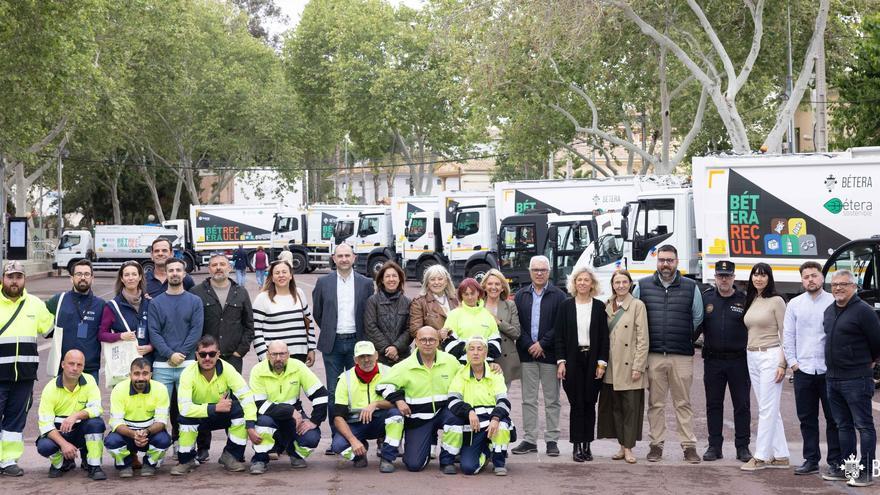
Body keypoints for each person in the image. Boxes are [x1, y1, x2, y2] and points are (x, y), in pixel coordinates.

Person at [632, 244, 703, 463]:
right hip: (653, 356)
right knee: (656, 404)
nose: (665, 264)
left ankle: (689, 446)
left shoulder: (691, 287)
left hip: (681, 355)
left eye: (670, 260)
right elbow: (636, 320)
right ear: (657, 261)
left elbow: (698, 318)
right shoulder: (642, 286)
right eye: (662, 260)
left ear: (677, 262)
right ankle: (656, 445)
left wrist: (683, 338)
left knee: (683, 403)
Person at [312, 243, 374, 450]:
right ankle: (337, 437)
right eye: (340, 256)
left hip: (358, 342)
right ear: (333, 258)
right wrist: (330, 329)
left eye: (348, 255)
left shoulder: (366, 283)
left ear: (354, 258)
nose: (344, 259)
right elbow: (318, 313)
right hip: (333, 343)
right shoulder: (323, 282)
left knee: (357, 390)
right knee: (334, 391)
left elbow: (368, 312)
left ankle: (356, 432)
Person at [822, 269, 880, 487]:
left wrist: (869, 361)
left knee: (864, 426)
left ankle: (865, 473)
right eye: (834, 284)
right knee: (843, 426)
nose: (838, 288)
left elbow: (877, 342)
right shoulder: (829, 311)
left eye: (843, 284)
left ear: (854, 287)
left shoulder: (864, 311)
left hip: (856, 379)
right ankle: (849, 470)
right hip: (833, 379)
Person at [377, 326, 462, 473]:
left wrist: (491, 366)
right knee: (414, 465)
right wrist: (399, 400)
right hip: (418, 418)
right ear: (416, 342)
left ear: (438, 342)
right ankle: (423, 447)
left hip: (443, 413)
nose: (427, 343)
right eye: (423, 339)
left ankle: (447, 461)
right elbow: (383, 385)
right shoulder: (405, 365)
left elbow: (466, 376)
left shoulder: (450, 361)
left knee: (456, 418)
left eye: (432, 339)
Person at [171, 335, 259, 475]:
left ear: (218, 354)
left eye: (211, 354)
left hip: (221, 414)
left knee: (240, 410)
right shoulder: (187, 373)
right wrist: (213, 408)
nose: (207, 358)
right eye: (203, 354)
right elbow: (184, 408)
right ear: (196, 355)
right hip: (198, 415)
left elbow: (246, 396)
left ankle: (230, 456)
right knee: (184, 418)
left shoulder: (228, 369)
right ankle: (186, 460)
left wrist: (250, 425)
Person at [782, 261, 839, 476]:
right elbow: (788, 335)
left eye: (814, 276)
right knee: (807, 418)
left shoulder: (834, 301)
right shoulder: (794, 304)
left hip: (829, 371)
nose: (810, 280)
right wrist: (793, 363)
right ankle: (811, 459)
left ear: (822, 278)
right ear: (802, 280)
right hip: (803, 370)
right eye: (806, 277)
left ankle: (835, 460)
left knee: (834, 418)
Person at [0, 260, 54, 476]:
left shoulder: (35, 304)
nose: (14, 281)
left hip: (24, 376)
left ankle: (8, 460)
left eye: (18, 277)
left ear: (24, 279)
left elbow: (51, 330)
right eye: (10, 276)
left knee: (15, 420)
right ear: (3, 278)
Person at [694, 261, 752, 463]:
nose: (724, 279)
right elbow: (697, 326)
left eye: (727, 276)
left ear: (734, 278)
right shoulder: (706, 298)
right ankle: (714, 446)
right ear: (715, 277)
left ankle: (742, 447)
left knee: (742, 405)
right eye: (720, 276)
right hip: (713, 361)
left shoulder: (744, 300)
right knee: (713, 405)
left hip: (739, 361)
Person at [147, 258, 203, 455]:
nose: (175, 273)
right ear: (167, 274)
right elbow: (154, 332)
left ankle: (186, 448)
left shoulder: (195, 301)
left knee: (187, 408)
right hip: (162, 366)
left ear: (184, 274)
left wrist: (180, 354)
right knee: (160, 409)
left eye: (178, 270)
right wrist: (169, 354)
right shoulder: (156, 303)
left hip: (187, 363)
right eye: (171, 270)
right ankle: (158, 450)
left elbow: (196, 331)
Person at [511, 255, 566, 457]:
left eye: (543, 270)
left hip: (550, 355)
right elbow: (518, 326)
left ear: (549, 272)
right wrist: (529, 345)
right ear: (530, 272)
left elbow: (559, 326)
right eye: (536, 270)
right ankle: (530, 440)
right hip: (527, 356)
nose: (539, 273)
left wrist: (542, 344)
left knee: (552, 400)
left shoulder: (559, 296)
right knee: (528, 400)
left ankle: (552, 440)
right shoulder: (520, 295)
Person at [249, 340, 328, 474]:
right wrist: (290, 411)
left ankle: (294, 453)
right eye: (274, 354)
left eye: (282, 354)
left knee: (311, 437)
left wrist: (314, 421)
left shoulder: (298, 366)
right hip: (269, 416)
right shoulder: (257, 370)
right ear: (268, 355)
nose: (278, 358)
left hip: (294, 416)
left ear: (289, 355)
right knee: (263, 423)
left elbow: (321, 394)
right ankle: (260, 459)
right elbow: (260, 405)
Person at [554, 266, 608, 462]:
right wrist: (561, 362)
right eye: (579, 280)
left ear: (592, 284)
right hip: (572, 360)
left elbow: (604, 338)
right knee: (576, 403)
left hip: (593, 359)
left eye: (587, 280)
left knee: (589, 402)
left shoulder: (599, 307)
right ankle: (576, 445)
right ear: (574, 283)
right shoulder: (566, 306)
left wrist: (602, 364)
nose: (583, 283)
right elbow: (559, 337)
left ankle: (587, 445)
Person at [741, 263, 789, 471]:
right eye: (755, 275)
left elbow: (785, 332)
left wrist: (782, 363)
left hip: (770, 356)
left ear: (770, 278)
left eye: (763, 275)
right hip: (752, 355)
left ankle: (761, 456)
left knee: (767, 409)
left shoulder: (777, 301)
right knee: (768, 408)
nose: (758, 279)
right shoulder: (753, 299)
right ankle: (781, 454)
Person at [596, 269, 648, 465]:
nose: (620, 286)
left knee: (631, 409)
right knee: (615, 408)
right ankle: (621, 445)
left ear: (630, 284)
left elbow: (643, 339)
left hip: (630, 365)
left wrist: (638, 366)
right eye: (617, 282)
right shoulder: (607, 305)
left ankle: (629, 448)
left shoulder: (637, 305)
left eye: (624, 282)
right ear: (612, 285)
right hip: (610, 365)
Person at [443, 336, 514, 476]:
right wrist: (469, 411)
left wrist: (496, 418)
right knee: (469, 468)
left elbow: (504, 401)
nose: (475, 353)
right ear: (467, 353)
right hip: (473, 424)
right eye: (471, 349)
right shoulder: (460, 374)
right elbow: (452, 400)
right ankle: (486, 452)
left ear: (486, 353)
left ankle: (499, 462)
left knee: (503, 425)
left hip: (492, 421)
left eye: (480, 349)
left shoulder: (495, 373)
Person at [36, 350, 107, 480]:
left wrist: (75, 416)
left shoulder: (89, 380)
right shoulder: (50, 388)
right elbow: (45, 425)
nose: (75, 368)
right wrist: (64, 444)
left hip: (80, 431)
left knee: (96, 423)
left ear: (83, 367)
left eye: (79, 365)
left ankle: (94, 465)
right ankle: (60, 463)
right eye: (71, 364)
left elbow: (97, 409)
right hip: (59, 432)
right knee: (44, 446)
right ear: (63, 364)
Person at [330, 341, 396, 468]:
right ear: (355, 359)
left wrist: (376, 404)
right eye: (361, 356)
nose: (366, 360)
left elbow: (398, 403)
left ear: (376, 355)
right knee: (337, 446)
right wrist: (353, 441)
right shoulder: (345, 378)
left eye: (369, 355)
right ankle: (360, 453)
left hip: (380, 420)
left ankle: (387, 457)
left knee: (396, 415)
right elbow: (338, 417)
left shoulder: (389, 372)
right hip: (356, 423)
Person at [103, 357, 172, 477]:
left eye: (145, 373)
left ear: (151, 375)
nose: (141, 378)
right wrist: (134, 435)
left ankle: (149, 464)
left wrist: (145, 432)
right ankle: (125, 464)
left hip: (149, 433)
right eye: (136, 374)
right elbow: (116, 423)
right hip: (127, 435)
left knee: (164, 440)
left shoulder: (161, 389)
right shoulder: (119, 389)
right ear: (130, 375)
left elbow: (161, 422)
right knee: (112, 441)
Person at [191, 253, 254, 373]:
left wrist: (240, 352)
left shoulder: (241, 292)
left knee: (232, 392)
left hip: (233, 357)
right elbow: (190, 324)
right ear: (209, 269)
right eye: (214, 265)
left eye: (222, 264)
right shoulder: (196, 293)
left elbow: (249, 325)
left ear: (229, 268)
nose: (218, 267)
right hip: (205, 357)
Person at [46, 260, 106, 382]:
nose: (83, 277)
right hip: (62, 368)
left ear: (92, 278)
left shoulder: (101, 305)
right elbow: (40, 316)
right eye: (78, 274)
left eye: (86, 274)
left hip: (90, 369)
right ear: (71, 278)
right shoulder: (59, 300)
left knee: (89, 402)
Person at [253, 260, 314, 364]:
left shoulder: (299, 293)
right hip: (275, 356)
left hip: (299, 354)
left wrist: (311, 348)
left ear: (290, 275)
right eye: (277, 273)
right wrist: (264, 356)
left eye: (284, 272)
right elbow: (256, 330)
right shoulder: (262, 298)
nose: (281, 275)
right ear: (272, 277)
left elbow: (309, 321)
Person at [99, 261, 153, 363]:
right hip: (124, 362)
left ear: (140, 277)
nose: (131, 278)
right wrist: (120, 336)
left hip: (148, 361)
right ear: (122, 279)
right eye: (126, 275)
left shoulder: (150, 303)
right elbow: (102, 334)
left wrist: (151, 347)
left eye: (134, 274)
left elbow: (158, 331)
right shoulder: (112, 306)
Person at [442, 278, 501, 363]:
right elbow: (449, 346)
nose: (469, 297)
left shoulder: (488, 315)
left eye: (472, 293)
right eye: (466, 294)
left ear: (478, 293)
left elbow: (496, 346)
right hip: (460, 365)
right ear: (461, 296)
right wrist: (479, 348)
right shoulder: (453, 315)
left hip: (485, 365)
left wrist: (467, 346)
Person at [364, 261, 412, 366]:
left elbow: (410, 329)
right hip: (379, 357)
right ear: (382, 279)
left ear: (400, 279)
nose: (391, 279)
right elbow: (370, 327)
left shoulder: (408, 302)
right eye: (387, 276)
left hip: (402, 356)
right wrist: (387, 349)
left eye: (394, 276)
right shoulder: (373, 301)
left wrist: (396, 347)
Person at [481, 269, 521, 387]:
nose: (493, 287)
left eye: (497, 284)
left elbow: (516, 333)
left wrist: (499, 322)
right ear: (484, 286)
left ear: (503, 287)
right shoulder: (477, 304)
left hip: (504, 360)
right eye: (490, 284)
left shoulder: (510, 305)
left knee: (501, 400)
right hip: (481, 358)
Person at [409, 264, 459, 339]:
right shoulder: (419, 302)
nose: (436, 282)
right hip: (431, 348)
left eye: (440, 279)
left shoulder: (455, 298)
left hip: (454, 347)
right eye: (432, 279)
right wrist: (438, 334)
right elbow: (415, 331)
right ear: (427, 283)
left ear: (446, 282)